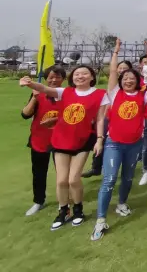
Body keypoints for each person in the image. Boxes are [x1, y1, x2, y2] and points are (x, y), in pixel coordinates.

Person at [91, 39, 147, 241]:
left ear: (137, 81)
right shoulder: (115, 92)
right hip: (114, 143)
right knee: (109, 180)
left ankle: (122, 203)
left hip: (134, 144)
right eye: (125, 78)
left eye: (132, 78)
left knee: (127, 178)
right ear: (121, 80)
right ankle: (100, 219)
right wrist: (116, 52)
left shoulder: (142, 95)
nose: (128, 80)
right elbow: (113, 71)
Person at [20, 66, 110, 230]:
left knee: (73, 179)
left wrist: (99, 139)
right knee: (61, 180)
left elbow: (100, 120)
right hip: (61, 139)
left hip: (83, 141)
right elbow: (44, 88)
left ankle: (78, 210)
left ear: (92, 77)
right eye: (77, 74)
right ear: (72, 78)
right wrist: (29, 83)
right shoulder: (65, 92)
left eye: (84, 73)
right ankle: (63, 211)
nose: (80, 76)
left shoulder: (100, 94)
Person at [21, 65, 66, 216]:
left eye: (58, 77)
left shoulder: (67, 95)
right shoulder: (38, 94)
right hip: (39, 140)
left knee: (62, 173)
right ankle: (38, 201)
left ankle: (63, 201)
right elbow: (25, 114)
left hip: (61, 141)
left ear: (63, 79)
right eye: (51, 77)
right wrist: (34, 97)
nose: (54, 80)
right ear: (46, 79)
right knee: (39, 172)